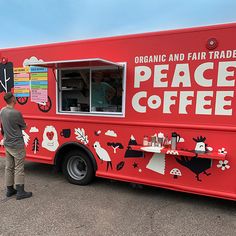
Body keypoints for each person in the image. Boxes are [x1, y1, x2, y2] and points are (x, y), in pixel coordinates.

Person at [0, 92, 32, 200]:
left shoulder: (2, 111)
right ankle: (20, 192)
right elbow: (23, 127)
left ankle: (9, 190)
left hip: (7, 143)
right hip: (17, 144)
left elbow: (3, 126)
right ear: (13, 99)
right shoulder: (16, 113)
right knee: (19, 168)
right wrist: (26, 125)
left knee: (9, 167)